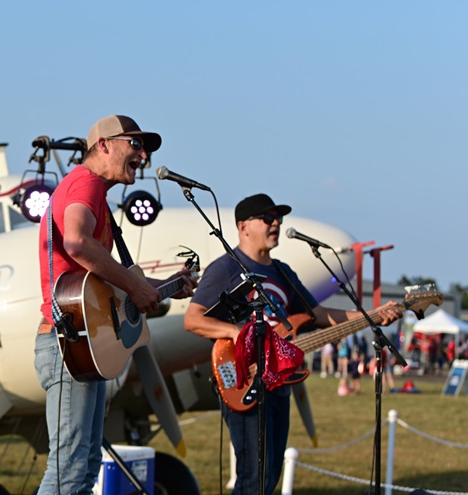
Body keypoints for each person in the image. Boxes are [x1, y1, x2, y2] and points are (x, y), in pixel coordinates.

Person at [183, 193, 400, 495]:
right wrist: (236, 333)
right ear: (243, 226)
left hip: (279, 383)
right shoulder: (226, 268)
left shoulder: (282, 271)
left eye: (279, 218)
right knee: (252, 477)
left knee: (270, 473)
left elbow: (319, 315)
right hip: (245, 378)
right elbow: (193, 319)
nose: (276, 224)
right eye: (268, 218)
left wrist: (372, 315)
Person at [34, 115, 196, 494]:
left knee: (85, 466)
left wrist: (166, 285)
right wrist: (136, 288)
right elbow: (75, 242)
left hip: (84, 346)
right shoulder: (86, 183)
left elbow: (109, 282)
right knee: (68, 470)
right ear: (104, 144)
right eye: (135, 145)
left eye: (147, 148)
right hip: (68, 346)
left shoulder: (96, 196)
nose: (143, 155)